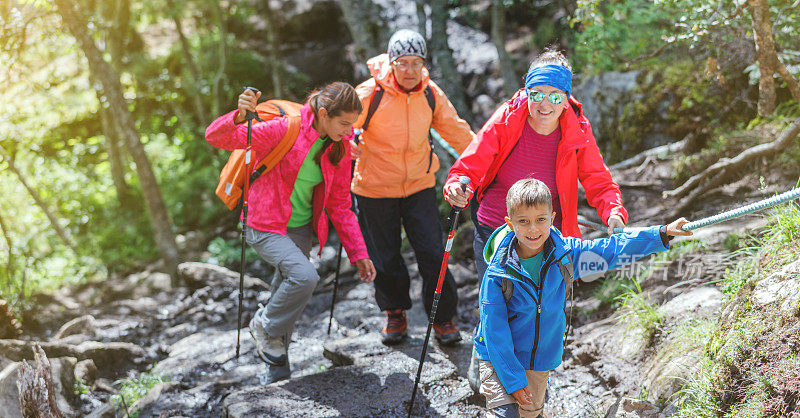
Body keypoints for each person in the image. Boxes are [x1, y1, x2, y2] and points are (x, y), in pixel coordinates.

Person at [473, 178, 691, 418]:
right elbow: (495, 332)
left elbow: (611, 250)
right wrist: (515, 382)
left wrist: (661, 234)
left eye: (541, 220)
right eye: (524, 222)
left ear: (553, 217)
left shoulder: (566, 256)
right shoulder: (498, 273)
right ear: (509, 222)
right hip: (499, 357)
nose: (533, 229)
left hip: (539, 356)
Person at [205, 82, 377, 384]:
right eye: (344, 123)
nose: (349, 131)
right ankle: (263, 325)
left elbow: (340, 205)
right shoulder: (285, 130)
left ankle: (277, 373)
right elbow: (216, 137)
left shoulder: (338, 146)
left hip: (299, 228)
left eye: (353, 124)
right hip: (264, 223)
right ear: (323, 114)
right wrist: (239, 115)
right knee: (305, 277)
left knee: (286, 295)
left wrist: (358, 253)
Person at [443, 46, 628, 281]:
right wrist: (457, 188)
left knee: (543, 312)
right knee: (498, 310)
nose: (545, 104)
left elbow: (598, 180)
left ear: (566, 98)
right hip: (496, 230)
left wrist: (613, 213)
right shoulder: (507, 118)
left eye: (555, 96)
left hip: (546, 235)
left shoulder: (578, 129)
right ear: (527, 92)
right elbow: (468, 167)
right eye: (537, 94)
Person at [350, 29, 475, 346]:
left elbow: (458, 132)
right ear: (391, 63)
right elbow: (338, 128)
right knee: (387, 257)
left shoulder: (430, 94)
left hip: (419, 186)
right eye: (402, 63)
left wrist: (488, 159)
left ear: (423, 63)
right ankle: (395, 313)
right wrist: (344, 145)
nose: (408, 70)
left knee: (434, 252)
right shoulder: (368, 94)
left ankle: (443, 318)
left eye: (415, 63)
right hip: (374, 189)